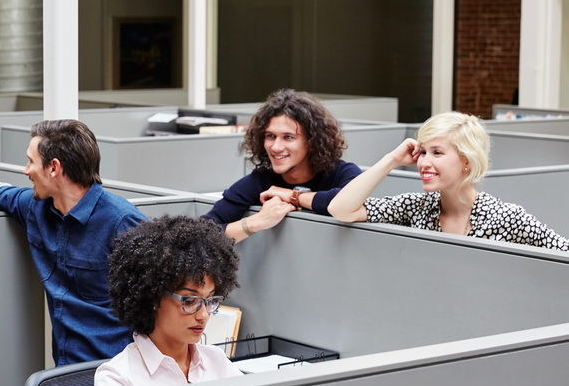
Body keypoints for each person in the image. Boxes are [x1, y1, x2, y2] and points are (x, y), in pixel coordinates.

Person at [0, 119, 147, 365]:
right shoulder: (35, 207)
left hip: (118, 373)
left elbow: (161, 306)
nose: (25, 170)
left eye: (30, 161)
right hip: (65, 371)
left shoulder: (122, 221)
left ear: (53, 168)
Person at [328, 111, 569, 250]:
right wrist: (391, 159)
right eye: (422, 152)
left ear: (466, 161)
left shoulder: (506, 217)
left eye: (437, 152)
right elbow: (341, 209)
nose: (424, 162)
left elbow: (562, 252)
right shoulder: (415, 208)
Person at [94, 215, 243, 386]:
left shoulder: (217, 360)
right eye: (189, 301)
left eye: (210, 300)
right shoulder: (117, 379)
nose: (203, 315)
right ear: (153, 298)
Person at [203, 89, 361, 243]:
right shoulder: (260, 182)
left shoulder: (342, 173)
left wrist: (294, 196)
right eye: (270, 136)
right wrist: (256, 221)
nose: (276, 147)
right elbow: (201, 235)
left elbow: (348, 202)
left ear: (312, 142)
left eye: (288, 137)